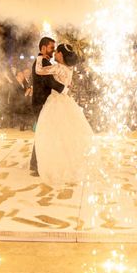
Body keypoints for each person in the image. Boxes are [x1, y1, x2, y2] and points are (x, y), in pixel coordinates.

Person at [33, 43, 94, 183]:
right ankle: (67, 163)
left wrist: (39, 57)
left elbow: (39, 70)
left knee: (52, 134)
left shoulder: (59, 67)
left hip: (55, 102)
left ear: (60, 54)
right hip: (66, 101)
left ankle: (55, 163)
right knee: (65, 134)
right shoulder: (69, 68)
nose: (54, 53)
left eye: (57, 52)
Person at [29, 37, 66, 176]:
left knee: (43, 133)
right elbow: (50, 82)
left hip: (42, 103)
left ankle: (36, 163)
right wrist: (65, 89)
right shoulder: (42, 61)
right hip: (40, 103)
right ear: (43, 48)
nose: (53, 50)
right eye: (51, 48)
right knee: (43, 133)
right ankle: (37, 165)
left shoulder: (43, 61)